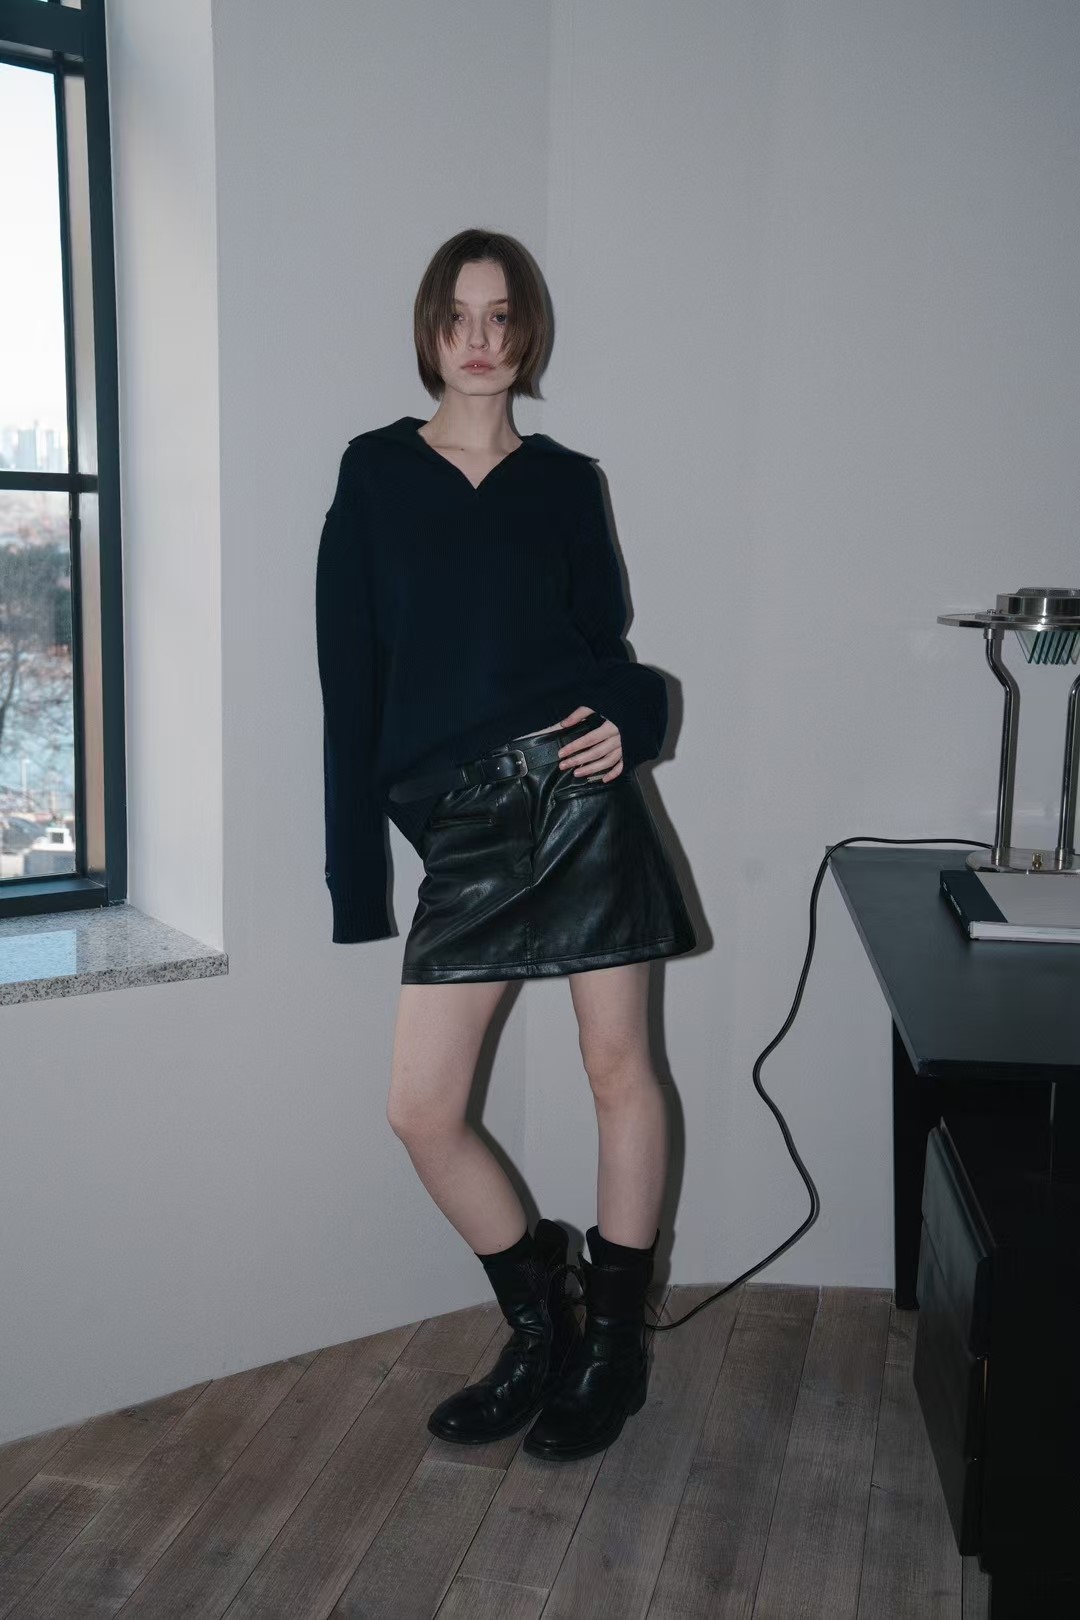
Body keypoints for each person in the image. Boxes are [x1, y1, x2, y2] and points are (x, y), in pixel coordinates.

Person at [315, 228, 696, 1463]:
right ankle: (544, 1322)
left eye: (500, 317)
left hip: (583, 798)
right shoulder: (376, 474)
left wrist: (636, 719)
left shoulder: (567, 482)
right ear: (429, 333)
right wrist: (360, 876)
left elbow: (607, 652)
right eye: (457, 317)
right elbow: (348, 686)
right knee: (422, 1109)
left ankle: (613, 1351)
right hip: (469, 822)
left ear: (526, 333)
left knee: (619, 1069)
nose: (478, 340)